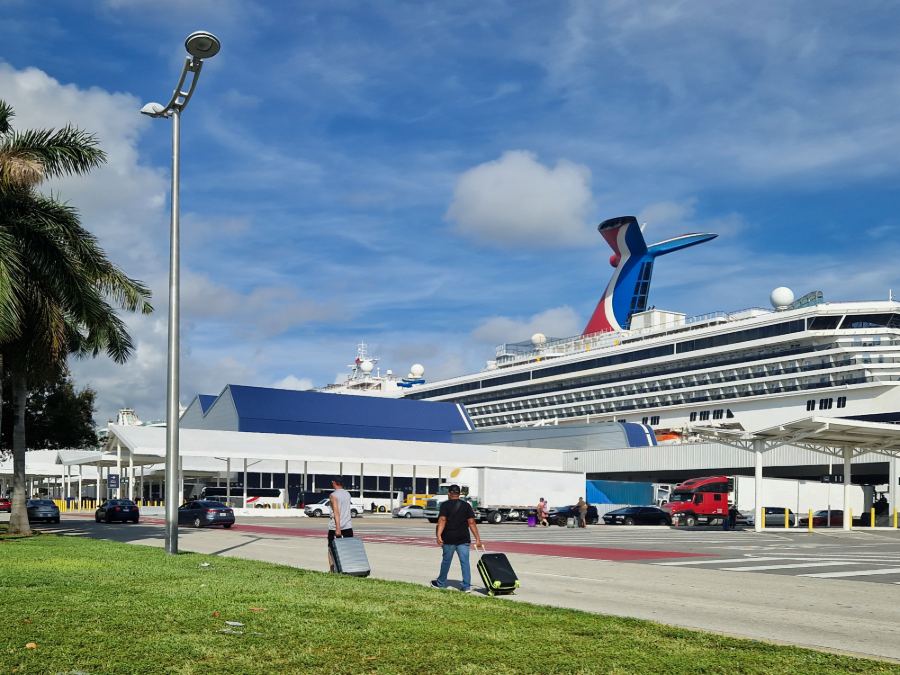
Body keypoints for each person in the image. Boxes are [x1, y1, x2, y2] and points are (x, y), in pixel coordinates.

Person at [432, 484, 482, 592]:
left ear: (449, 493)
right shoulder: (466, 506)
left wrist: (439, 535)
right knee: (465, 562)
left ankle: (441, 583)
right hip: (463, 538)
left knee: (446, 561)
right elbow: (471, 522)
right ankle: (466, 586)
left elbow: (442, 520)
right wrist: (477, 538)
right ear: (459, 494)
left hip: (449, 538)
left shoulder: (445, 505)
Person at [327, 478, 353, 571]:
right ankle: (347, 569)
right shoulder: (347, 494)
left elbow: (336, 512)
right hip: (348, 526)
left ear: (334, 482)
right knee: (347, 549)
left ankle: (332, 570)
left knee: (331, 549)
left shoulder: (333, 495)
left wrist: (338, 528)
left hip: (335, 527)